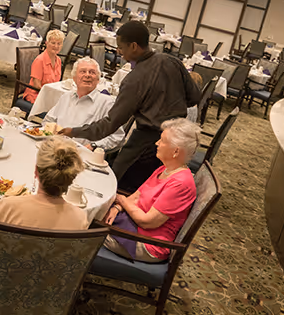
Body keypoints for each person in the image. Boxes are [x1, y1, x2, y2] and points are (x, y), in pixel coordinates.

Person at [58, 21, 200, 192]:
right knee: (153, 190)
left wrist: (73, 131)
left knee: (114, 183)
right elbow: (194, 98)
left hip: (147, 145)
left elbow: (110, 124)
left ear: (133, 46)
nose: (119, 51)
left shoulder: (134, 80)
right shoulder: (173, 61)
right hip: (177, 146)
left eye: (121, 47)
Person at [101, 118, 199, 262]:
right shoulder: (165, 169)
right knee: (95, 215)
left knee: (86, 228)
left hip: (147, 243)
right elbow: (136, 197)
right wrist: (117, 207)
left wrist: (121, 199)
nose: (157, 143)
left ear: (175, 151)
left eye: (162, 141)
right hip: (132, 225)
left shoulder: (181, 183)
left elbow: (147, 222)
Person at [44, 57, 125, 151]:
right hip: (54, 147)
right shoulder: (66, 97)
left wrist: (94, 146)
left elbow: (118, 136)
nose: (87, 75)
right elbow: (48, 120)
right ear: (74, 78)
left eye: (92, 72)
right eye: (83, 71)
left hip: (81, 155)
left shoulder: (107, 103)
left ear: (98, 80)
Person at [22, 29, 65, 104]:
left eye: (59, 44)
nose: (56, 46)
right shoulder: (40, 60)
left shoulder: (58, 60)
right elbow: (37, 86)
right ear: (46, 43)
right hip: (37, 95)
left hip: (50, 95)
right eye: (53, 43)